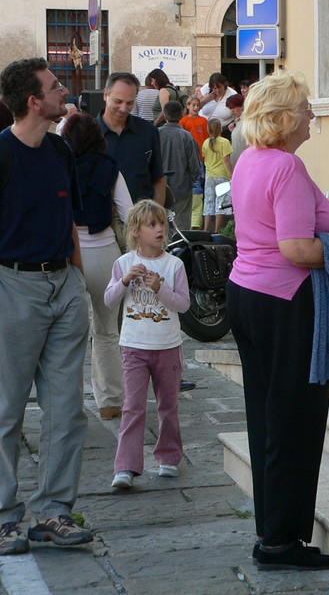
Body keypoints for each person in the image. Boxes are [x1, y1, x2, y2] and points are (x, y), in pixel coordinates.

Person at [227, 71, 329, 571]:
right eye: (306, 108)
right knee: (295, 420)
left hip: (246, 294)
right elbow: (296, 248)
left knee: (267, 417)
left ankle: (273, 534)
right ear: (285, 118)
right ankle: (280, 541)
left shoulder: (249, 160)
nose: (313, 115)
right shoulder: (287, 168)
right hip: (284, 299)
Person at [0, 57, 94, 555]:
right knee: (6, 409)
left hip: (63, 286)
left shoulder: (60, 150)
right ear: (34, 101)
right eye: (55, 87)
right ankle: (3, 516)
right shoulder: (1, 153)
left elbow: (71, 222)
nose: (64, 93)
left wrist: (77, 281)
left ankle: (54, 512)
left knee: (66, 410)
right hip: (12, 287)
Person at [103, 200, 190, 490]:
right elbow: (109, 300)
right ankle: (126, 466)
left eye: (162, 223)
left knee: (169, 405)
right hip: (134, 346)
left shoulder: (174, 264)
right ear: (136, 231)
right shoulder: (123, 263)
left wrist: (159, 288)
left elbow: (183, 304)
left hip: (168, 346)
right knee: (133, 406)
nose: (160, 229)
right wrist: (126, 281)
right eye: (152, 225)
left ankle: (169, 458)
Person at [61, 112, 133, 420]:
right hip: (104, 252)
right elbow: (130, 213)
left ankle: (68, 404)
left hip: (68, 254)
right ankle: (110, 401)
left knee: (67, 336)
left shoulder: (60, 167)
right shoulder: (110, 168)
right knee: (106, 331)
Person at [98, 72, 166, 206]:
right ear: (106, 95)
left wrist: (157, 217)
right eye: (118, 101)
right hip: (101, 221)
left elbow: (158, 178)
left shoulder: (148, 132)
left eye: (130, 103)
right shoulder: (86, 133)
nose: (123, 108)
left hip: (142, 219)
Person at [158, 101, 202, 231]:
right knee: (181, 226)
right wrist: (191, 181)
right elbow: (195, 165)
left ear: (165, 115)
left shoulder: (156, 134)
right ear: (182, 114)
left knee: (160, 224)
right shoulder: (186, 136)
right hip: (182, 187)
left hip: (159, 187)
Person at [202, 118, 233, 233]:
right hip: (222, 175)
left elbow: (205, 158)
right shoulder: (224, 142)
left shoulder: (206, 142)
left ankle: (206, 230)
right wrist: (232, 174)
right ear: (220, 128)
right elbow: (227, 159)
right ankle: (217, 231)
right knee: (221, 203)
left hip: (210, 175)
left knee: (209, 202)